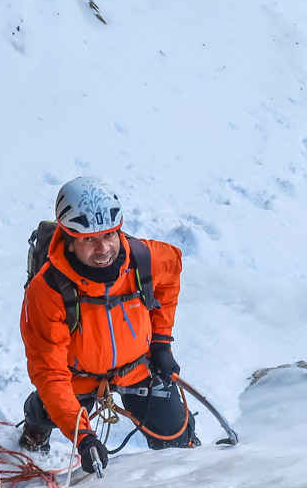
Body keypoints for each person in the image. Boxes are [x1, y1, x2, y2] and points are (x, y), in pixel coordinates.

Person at [19, 176, 196, 470]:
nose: (103, 249)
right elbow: (50, 373)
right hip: (77, 376)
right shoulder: (47, 290)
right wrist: (84, 437)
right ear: (70, 240)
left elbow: (172, 271)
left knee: (176, 438)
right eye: (88, 239)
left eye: (109, 235)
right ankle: (36, 421)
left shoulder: (143, 259)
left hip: (138, 368)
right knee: (51, 407)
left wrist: (162, 343)